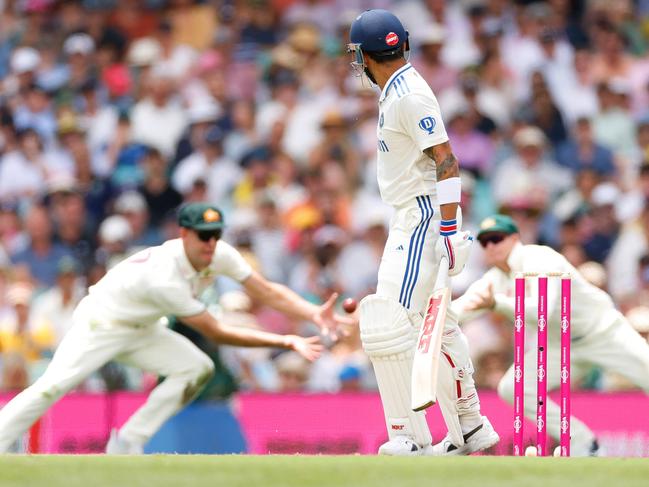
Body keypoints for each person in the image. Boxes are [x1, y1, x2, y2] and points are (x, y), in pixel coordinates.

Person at [0, 202, 353, 454]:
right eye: (203, 236)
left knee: (196, 367)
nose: (210, 244)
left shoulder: (221, 254)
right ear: (184, 235)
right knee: (52, 387)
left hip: (143, 326)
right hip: (101, 323)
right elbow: (216, 332)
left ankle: (127, 443)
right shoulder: (165, 277)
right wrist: (285, 340)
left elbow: (266, 291)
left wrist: (313, 312)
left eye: (215, 235)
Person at [346, 10, 499, 456]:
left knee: (390, 323)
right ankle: (469, 425)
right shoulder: (398, 89)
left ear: (366, 55)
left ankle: (409, 437)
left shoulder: (408, 94)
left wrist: (449, 229)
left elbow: (447, 160)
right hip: (414, 215)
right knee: (439, 325)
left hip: (419, 217)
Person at [452, 214, 649, 456]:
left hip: (604, 332)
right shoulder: (495, 278)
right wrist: (426, 322)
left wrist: (498, 304)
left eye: (497, 238)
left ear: (515, 238)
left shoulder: (540, 258)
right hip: (562, 345)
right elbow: (460, 309)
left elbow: (543, 309)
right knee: (513, 388)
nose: (491, 246)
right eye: (485, 242)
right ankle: (584, 444)